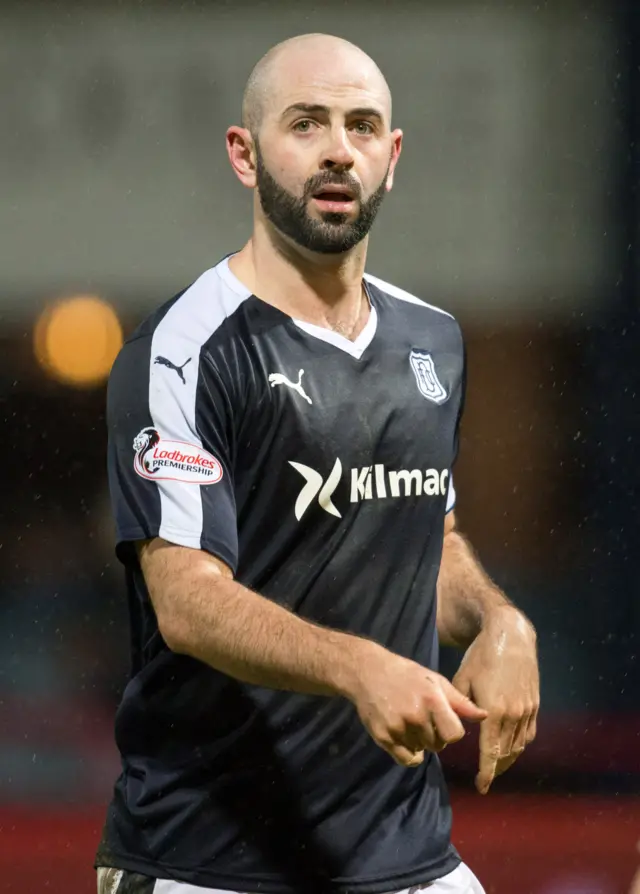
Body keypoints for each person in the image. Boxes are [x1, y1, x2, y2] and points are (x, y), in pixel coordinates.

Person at [96, 32, 540, 894]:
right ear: (244, 152)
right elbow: (186, 601)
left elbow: (427, 540)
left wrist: (499, 620)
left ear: (392, 155)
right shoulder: (185, 351)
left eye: (363, 127)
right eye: (306, 123)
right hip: (211, 861)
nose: (340, 149)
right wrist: (359, 667)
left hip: (408, 858)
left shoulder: (431, 340)